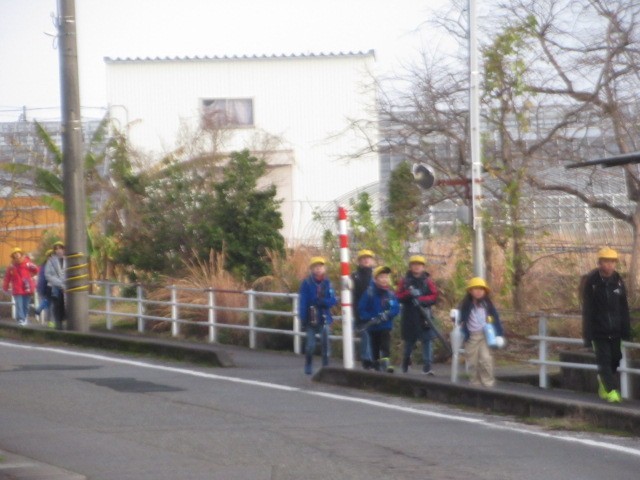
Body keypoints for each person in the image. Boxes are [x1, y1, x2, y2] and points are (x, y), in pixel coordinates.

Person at [581, 247, 631, 403]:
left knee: (614, 360)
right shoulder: (592, 282)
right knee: (604, 362)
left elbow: (623, 307)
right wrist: (588, 336)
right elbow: (588, 310)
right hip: (599, 331)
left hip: (615, 330)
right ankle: (612, 391)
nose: (610, 265)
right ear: (600, 263)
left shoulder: (618, 281)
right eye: (606, 262)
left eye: (613, 262)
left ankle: (603, 383)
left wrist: (626, 330)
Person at [457, 277, 504, 388]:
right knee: (472, 361)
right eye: (476, 289)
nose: (479, 291)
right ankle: (475, 383)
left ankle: (488, 383)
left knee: (486, 359)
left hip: (485, 336)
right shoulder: (465, 305)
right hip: (471, 337)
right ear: (470, 291)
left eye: (481, 289)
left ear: (485, 291)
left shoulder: (488, 304)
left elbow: (496, 319)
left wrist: (499, 334)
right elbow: (459, 319)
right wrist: (461, 328)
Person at [396, 255, 439, 374]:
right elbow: (397, 296)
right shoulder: (404, 281)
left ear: (423, 267)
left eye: (419, 265)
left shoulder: (428, 281)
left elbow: (434, 296)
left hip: (424, 316)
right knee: (409, 341)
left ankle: (427, 367)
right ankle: (405, 363)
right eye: (414, 264)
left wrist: (421, 300)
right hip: (409, 316)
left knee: (427, 341)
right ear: (410, 266)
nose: (417, 267)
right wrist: (408, 294)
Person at [298, 256, 338, 375]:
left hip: (324, 317)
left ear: (324, 268)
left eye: (320, 266)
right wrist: (303, 318)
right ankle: (308, 364)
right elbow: (303, 301)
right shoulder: (306, 283)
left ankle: (326, 367)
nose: (318, 269)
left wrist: (322, 302)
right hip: (310, 318)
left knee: (326, 344)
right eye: (315, 267)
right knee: (310, 345)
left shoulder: (328, 283)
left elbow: (333, 300)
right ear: (311, 269)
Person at [358, 265, 400, 373]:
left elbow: (396, 308)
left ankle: (386, 362)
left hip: (385, 325)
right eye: (381, 277)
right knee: (375, 345)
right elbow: (361, 309)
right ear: (375, 279)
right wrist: (372, 317)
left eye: (386, 277)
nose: (384, 279)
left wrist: (388, 315)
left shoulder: (390, 294)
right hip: (373, 326)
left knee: (385, 343)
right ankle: (376, 364)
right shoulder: (369, 293)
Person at [351, 249, 376, 369]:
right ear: (359, 261)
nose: (366, 260)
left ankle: (373, 359)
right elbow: (351, 295)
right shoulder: (354, 276)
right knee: (365, 334)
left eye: (368, 258)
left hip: (375, 310)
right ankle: (367, 360)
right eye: (363, 258)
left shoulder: (376, 275)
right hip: (360, 311)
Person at [2, 247, 39, 326]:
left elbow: (36, 270)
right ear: (13, 256)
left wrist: (33, 268)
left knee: (26, 305)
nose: (16, 255)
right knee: (19, 305)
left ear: (21, 254)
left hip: (27, 288)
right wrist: (5, 287)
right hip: (17, 288)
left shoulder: (27, 263)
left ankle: (24, 318)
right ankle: (21, 319)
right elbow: (7, 277)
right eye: (14, 254)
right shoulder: (11, 266)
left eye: (18, 253)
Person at [45, 241, 66, 330]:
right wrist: (59, 283)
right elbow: (47, 275)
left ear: (63, 249)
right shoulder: (51, 261)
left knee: (65, 305)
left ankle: (64, 321)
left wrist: (65, 284)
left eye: (60, 248)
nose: (58, 250)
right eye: (56, 249)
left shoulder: (68, 260)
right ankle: (58, 323)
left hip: (66, 287)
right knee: (57, 305)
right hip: (55, 287)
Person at [35, 249, 53, 325]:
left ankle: (41, 307)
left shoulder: (44, 266)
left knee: (50, 304)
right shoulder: (46, 266)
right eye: (50, 256)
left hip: (48, 287)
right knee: (51, 305)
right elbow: (43, 279)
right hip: (48, 288)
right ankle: (51, 322)